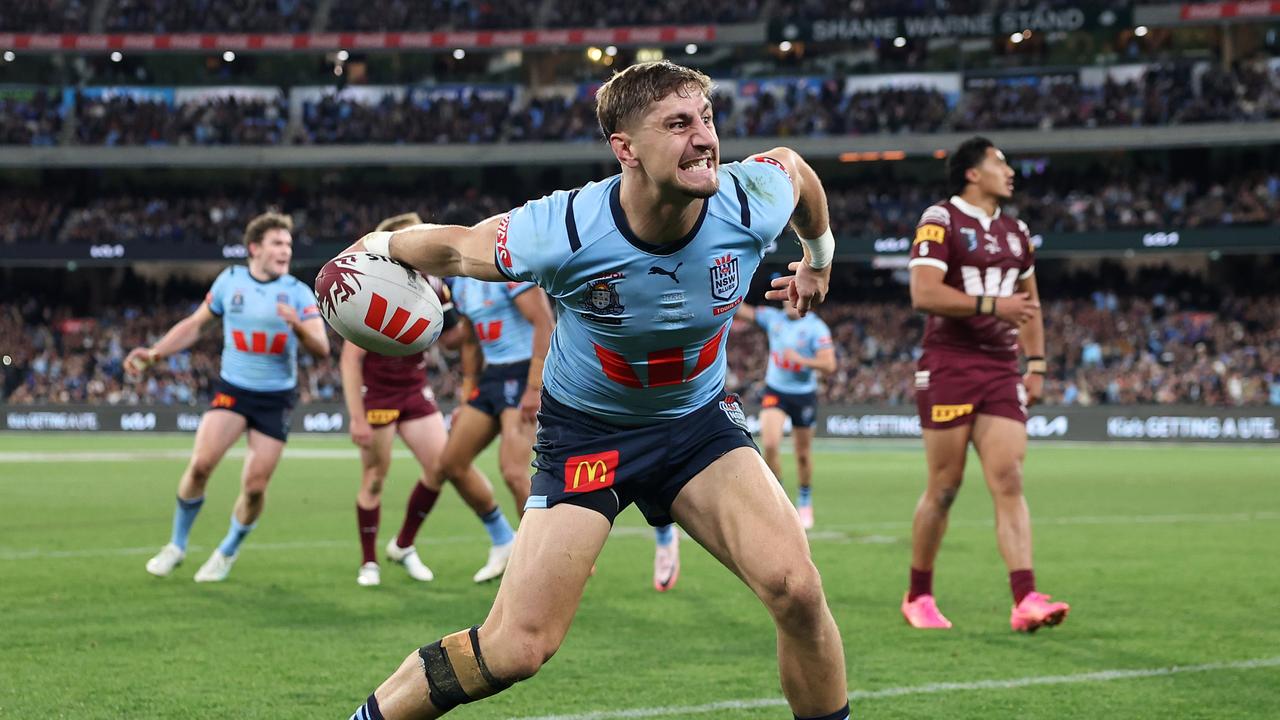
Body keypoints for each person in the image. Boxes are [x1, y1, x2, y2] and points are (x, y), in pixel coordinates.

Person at [340, 60, 850, 720]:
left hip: (697, 426)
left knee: (797, 588)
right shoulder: (563, 229)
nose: (704, 138)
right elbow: (459, 249)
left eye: (707, 119)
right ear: (626, 149)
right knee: (516, 648)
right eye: (678, 124)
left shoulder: (749, 197)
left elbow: (797, 170)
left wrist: (819, 258)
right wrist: (380, 243)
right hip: (588, 434)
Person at [901, 136, 1070, 632]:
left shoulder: (1018, 232)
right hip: (950, 364)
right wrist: (994, 307)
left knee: (1010, 479)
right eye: (1000, 162)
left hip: (1000, 367)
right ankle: (919, 595)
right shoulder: (941, 219)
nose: (1010, 171)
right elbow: (923, 292)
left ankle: (1026, 598)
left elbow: (1030, 305)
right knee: (945, 486)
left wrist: (1035, 365)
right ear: (972, 173)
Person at [132, 212, 330, 582]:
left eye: (288, 244)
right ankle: (176, 545)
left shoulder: (299, 293)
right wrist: (155, 354)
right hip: (233, 390)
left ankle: (227, 551)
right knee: (201, 465)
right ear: (254, 248)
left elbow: (322, 349)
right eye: (277, 243)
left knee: (254, 488)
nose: (285, 249)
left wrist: (299, 327)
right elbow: (194, 325)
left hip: (276, 399)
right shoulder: (231, 281)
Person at [341, 212, 521, 587]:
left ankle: (405, 545)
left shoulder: (433, 285)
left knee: (441, 466)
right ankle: (368, 562)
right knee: (374, 479)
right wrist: (356, 416)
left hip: (414, 389)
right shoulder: (371, 285)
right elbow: (350, 357)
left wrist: (470, 316)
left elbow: (452, 337)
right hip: (377, 393)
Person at [650, 300, 834, 592]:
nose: (786, 300)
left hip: (804, 394)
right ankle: (782, 499)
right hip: (776, 391)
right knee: (771, 443)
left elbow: (829, 364)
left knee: (802, 455)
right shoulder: (773, 319)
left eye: (791, 296)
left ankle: (805, 498)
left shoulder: (816, 328)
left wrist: (801, 360)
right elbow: (741, 308)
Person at [429, 209, 554, 582]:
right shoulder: (463, 282)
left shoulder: (508, 270)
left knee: (515, 473)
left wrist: (535, 387)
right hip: (491, 377)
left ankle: (544, 564)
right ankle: (504, 540)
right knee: (450, 463)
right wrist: (468, 392)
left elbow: (544, 323)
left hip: (522, 372)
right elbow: (469, 340)